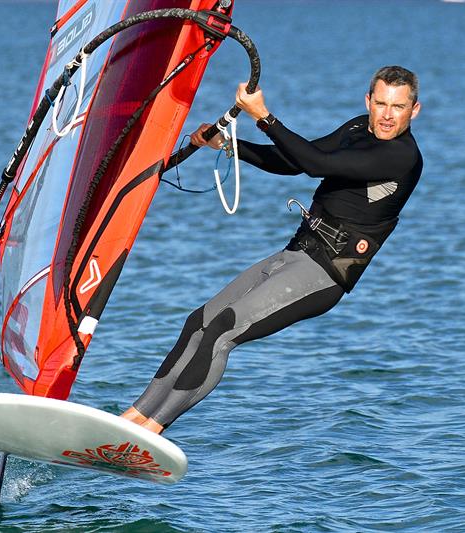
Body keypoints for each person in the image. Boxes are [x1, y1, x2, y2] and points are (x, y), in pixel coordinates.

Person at [121, 65, 423, 434]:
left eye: (398, 106)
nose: (388, 115)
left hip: (325, 272)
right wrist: (231, 146)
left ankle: (152, 429)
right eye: (381, 104)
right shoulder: (359, 127)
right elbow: (294, 162)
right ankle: (132, 419)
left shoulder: (402, 157)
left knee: (222, 331)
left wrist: (263, 117)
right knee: (200, 321)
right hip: (295, 253)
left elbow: (317, 166)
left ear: (414, 110)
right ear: (368, 101)